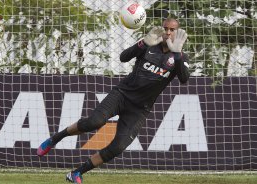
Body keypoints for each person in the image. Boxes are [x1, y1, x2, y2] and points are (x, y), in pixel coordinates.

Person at [37, 18, 189, 184]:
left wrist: (177, 54)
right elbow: (123, 57)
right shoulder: (150, 45)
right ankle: (54, 139)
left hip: (139, 109)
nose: (168, 32)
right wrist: (143, 43)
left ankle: (76, 173)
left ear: (177, 32)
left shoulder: (179, 57)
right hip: (122, 95)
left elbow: (184, 78)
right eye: (165, 28)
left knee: (118, 147)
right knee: (93, 122)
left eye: (172, 30)